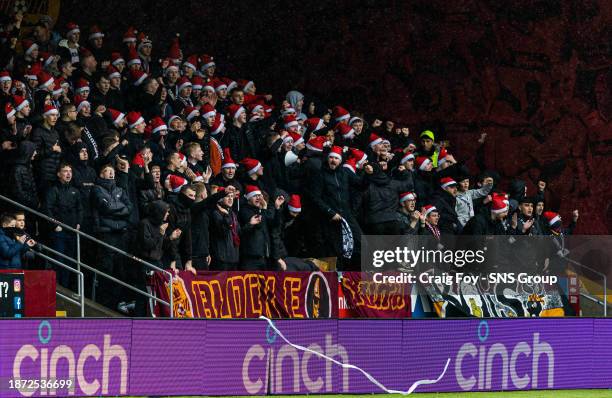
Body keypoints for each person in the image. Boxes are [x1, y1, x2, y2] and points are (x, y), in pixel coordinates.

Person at [91, 164, 132, 309]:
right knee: (106, 269)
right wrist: (120, 209)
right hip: (106, 233)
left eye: (113, 172)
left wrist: (116, 209)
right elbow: (106, 207)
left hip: (120, 234)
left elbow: (129, 208)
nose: (111, 174)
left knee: (120, 268)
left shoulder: (120, 190)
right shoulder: (96, 189)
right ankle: (105, 303)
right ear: (101, 174)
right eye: (108, 171)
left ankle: (117, 302)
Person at [43, 162, 83, 288]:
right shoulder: (53, 190)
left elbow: (80, 209)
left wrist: (78, 223)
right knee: (58, 261)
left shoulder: (75, 191)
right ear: (58, 174)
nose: (68, 173)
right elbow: (47, 209)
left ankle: (65, 288)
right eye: (65, 171)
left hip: (72, 232)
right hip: (59, 232)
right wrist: (54, 225)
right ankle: (57, 288)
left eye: (70, 171)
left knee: (69, 262)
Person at [238, 185, 284, 270]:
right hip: (250, 258)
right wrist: (264, 208)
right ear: (248, 198)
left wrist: (277, 208)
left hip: (263, 256)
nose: (258, 198)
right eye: (255, 196)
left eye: (259, 196)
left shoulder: (260, 210)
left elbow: (274, 224)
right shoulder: (245, 210)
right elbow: (259, 224)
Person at [31, 105, 62, 192]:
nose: (55, 118)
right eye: (52, 115)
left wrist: (59, 151)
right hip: (43, 175)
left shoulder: (55, 132)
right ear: (45, 116)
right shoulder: (38, 131)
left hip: (55, 173)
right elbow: (35, 155)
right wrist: (52, 149)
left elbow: (57, 151)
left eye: (56, 115)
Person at [209, 185, 240, 270]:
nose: (230, 199)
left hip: (233, 257)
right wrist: (226, 216)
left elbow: (238, 233)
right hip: (221, 258)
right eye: (227, 196)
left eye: (231, 196)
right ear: (220, 199)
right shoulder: (216, 213)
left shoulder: (232, 214)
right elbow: (223, 232)